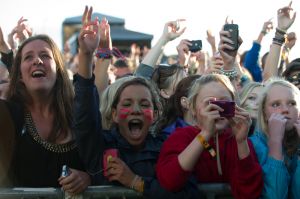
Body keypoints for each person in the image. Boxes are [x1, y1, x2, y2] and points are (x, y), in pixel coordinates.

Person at [74, 6, 200, 199]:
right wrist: (85, 55)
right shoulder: (100, 145)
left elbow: (189, 194)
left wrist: (135, 182)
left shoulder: (168, 147)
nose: (135, 110)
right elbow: (85, 113)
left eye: (144, 104)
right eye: (126, 104)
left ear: (155, 114)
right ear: (114, 114)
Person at [0, 34, 90, 194]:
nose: (37, 61)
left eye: (45, 55)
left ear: (59, 68)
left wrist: (88, 179)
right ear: (20, 75)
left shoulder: (78, 113)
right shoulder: (8, 114)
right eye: (28, 57)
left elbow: (99, 162)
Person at [156, 74, 263, 199]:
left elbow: (250, 192)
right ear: (194, 109)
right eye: (210, 103)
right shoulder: (181, 137)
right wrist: (205, 134)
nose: (217, 108)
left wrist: (241, 142)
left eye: (224, 102)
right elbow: (170, 181)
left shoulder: (237, 140)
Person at [249, 78, 300, 199]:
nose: (285, 110)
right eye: (276, 104)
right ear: (264, 113)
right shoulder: (253, 145)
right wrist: (275, 143)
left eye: (292, 103)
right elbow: (275, 196)